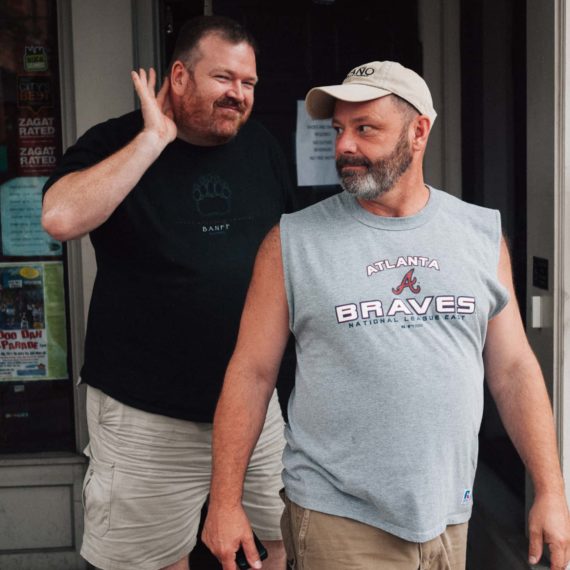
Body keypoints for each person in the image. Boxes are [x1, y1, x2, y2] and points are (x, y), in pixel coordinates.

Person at [202, 60, 570, 570]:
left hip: (449, 516)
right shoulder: (293, 242)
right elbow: (251, 373)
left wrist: (550, 489)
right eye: (338, 130)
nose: (344, 146)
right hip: (339, 518)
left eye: (365, 129)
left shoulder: (480, 235)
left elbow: (512, 370)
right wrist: (225, 501)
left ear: (419, 131)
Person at [42, 16, 292, 570]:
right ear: (178, 76)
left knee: (275, 546)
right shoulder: (115, 140)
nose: (239, 95)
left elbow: (291, 247)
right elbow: (60, 218)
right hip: (147, 416)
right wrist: (154, 140)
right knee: (150, 561)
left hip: (253, 407)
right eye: (224, 78)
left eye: (249, 83)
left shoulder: (260, 146)